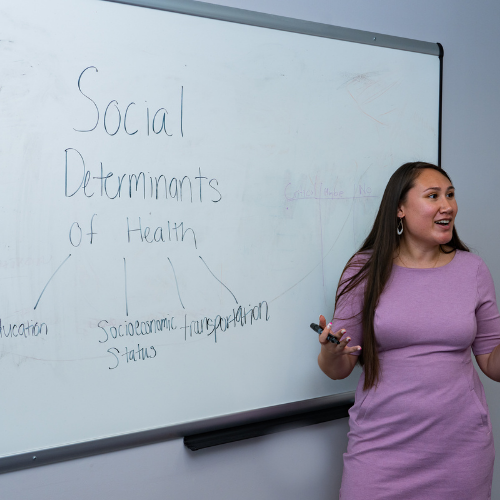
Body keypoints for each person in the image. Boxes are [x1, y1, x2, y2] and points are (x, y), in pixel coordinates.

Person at [317, 162, 500, 500]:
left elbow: (492, 362)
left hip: (462, 451)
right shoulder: (364, 269)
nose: (447, 205)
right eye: (433, 196)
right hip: (381, 448)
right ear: (400, 208)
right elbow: (338, 368)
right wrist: (331, 352)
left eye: (450, 195)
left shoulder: (472, 269)